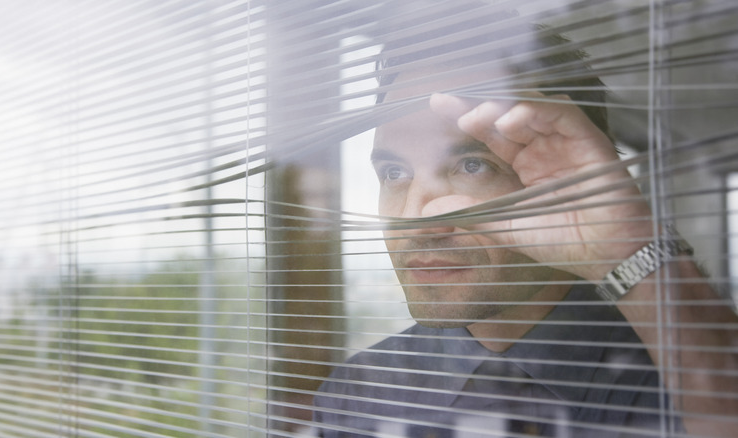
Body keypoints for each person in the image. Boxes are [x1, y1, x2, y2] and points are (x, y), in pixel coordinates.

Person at [312, 4, 738, 438]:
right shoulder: (355, 399)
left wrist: (629, 245)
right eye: (395, 174)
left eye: (474, 165)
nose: (413, 220)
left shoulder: (687, 374)